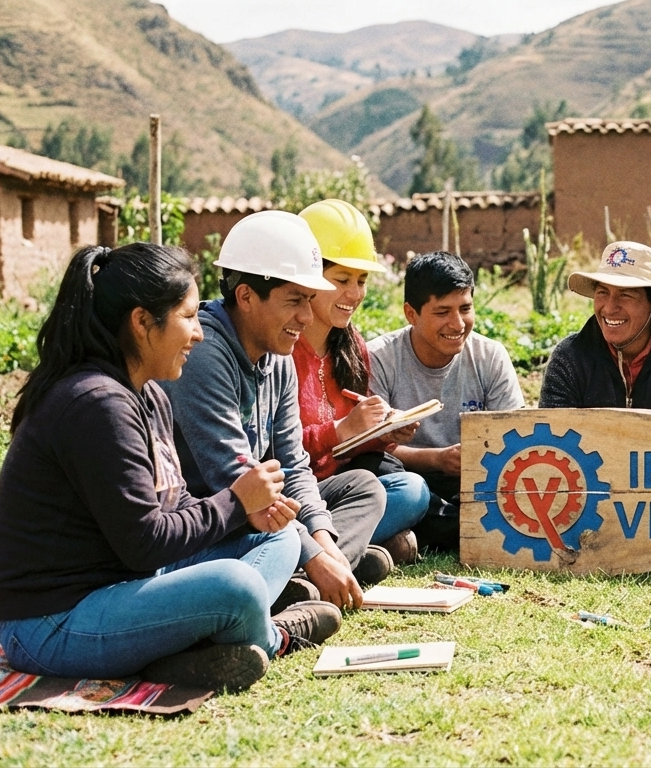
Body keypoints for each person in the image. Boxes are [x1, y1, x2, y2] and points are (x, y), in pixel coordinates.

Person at [0, 244, 340, 693]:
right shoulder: (97, 404)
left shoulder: (147, 393)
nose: (199, 334)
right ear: (141, 322)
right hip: (52, 623)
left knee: (282, 538)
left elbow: (175, 503)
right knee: (238, 586)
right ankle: (274, 635)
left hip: (127, 582)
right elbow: (145, 544)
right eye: (188, 317)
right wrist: (234, 503)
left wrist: (249, 514)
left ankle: (191, 642)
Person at [164, 211, 390, 614]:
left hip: (266, 510)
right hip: (211, 517)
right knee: (282, 538)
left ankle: (311, 577)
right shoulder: (204, 354)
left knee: (365, 488)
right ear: (246, 297)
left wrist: (323, 543)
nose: (307, 317)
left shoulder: (277, 354)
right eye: (294, 301)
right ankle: (306, 576)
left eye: (309, 300)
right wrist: (313, 555)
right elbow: (233, 479)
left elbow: (294, 464)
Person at [293, 199, 431, 567]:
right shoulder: (281, 345)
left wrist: (384, 432)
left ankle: (336, 554)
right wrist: (339, 430)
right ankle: (347, 554)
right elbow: (276, 449)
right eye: (342, 280)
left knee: (413, 490)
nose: (354, 294)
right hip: (297, 496)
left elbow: (351, 444)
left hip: (342, 489)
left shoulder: (350, 344)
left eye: (361, 281)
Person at [368, 251, 525, 552]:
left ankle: (420, 531)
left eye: (465, 308)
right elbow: (372, 446)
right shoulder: (379, 358)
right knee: (373, 467)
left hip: (469, 481)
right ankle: (463, 527)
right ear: (411, 314)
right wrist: (438, 459)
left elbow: (514, 438)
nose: (457, 324)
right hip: (404, 477)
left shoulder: (490, 356)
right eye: (442, 312)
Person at [539, 241, 651, 411]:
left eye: (625, 295)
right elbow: (553, 430)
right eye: (602, 292)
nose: (609, 308)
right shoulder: (570, 357)